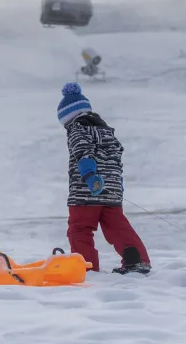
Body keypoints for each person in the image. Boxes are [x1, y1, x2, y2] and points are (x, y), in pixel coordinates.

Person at [58, 82, 151, 275]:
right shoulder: (107, 131)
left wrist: (90, 176)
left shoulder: (77, 128)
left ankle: (86, 266)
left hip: (86, 191)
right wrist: (118, 187)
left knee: (80, 228)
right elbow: (116, 158)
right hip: (112, 191)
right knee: (117, 226)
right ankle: (136, 260)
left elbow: (82, 152)